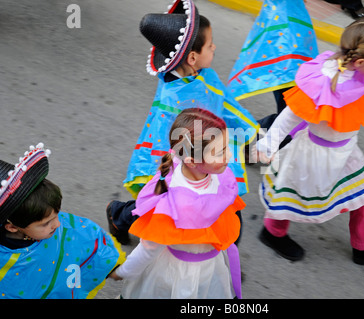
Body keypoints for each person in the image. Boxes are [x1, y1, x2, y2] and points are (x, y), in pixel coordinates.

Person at [108, 0, 258, 245]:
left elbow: (227, 105)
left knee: (228, 212)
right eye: (210, 46)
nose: (214, 48)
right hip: (189, 162)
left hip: (213, 155)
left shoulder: (206, 75)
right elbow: (164, 139)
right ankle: (118, 215)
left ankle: (220, 259)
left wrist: (253, 134)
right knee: (156, 206)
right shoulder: (172, 99)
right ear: (192, 57)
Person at [256, 19, 364, 266]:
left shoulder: (356, 77)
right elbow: (288, 116)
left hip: (346, 153)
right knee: (289, 196)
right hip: (312, 154)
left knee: (363, 197)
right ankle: (272, 232)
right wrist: (268, 146)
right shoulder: (320, 80)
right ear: (359, 62)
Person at [109, 108, 245, 299]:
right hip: (178, 275)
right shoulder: (171, 206)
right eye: (220, 151)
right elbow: (148, 249)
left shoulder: (218, 175)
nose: (229, 156)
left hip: (210, 267)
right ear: (191, 160)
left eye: (226, 147)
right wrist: (122, 272)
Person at [0, 143, 125, 299]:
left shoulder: (46, 220)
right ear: (12, 227)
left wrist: (108, 264)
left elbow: (86, 237)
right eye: (46, 223)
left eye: (57, 215)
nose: (58, 224)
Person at [228, 0, 318, 145]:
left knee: (291, 115)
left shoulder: (285, 7)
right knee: (291, 116)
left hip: (289, 62)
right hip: (287, 64)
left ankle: (246, 139)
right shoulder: (283, 9)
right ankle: (241, 138)